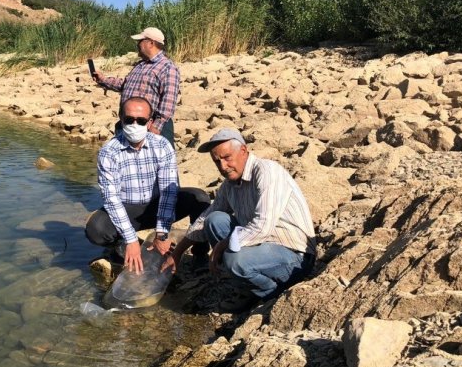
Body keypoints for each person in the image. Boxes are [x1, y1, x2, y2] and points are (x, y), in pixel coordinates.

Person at [160, 128, 316, 308]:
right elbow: (206, 218)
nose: (223, 167)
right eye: (217, 161)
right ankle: (244, 283)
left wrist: (222, 245)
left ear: (243, 151)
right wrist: (177, 253)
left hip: (293, 254)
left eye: (227, 158)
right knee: (215, 220)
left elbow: (262, 226)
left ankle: (271, 294)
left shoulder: (267, 172)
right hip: (260, 245)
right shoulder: (230, 184)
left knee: (235, 260)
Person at [85, 97, 209, 274]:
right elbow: (112, 200)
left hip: (157, 203)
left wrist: (162, 233)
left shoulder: (162, 145)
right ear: (121, 118)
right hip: (129, 210)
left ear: (150, 122)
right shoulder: (109, 152)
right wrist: (131, 240)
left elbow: (169, 191)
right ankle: (122, 248)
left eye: (141, 120)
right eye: (129, 119)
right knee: (96, 229)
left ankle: (200, 254)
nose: (134, 124)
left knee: (200, 199)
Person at [92, 27, 180, 147]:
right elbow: (125, 85)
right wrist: (103, 80)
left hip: (149, 126)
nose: (137, 44)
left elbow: (168, 101)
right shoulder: (140, 65)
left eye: (140, 41)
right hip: (129, 123)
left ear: (151, 43)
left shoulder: (167, 67)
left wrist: (156, 126)